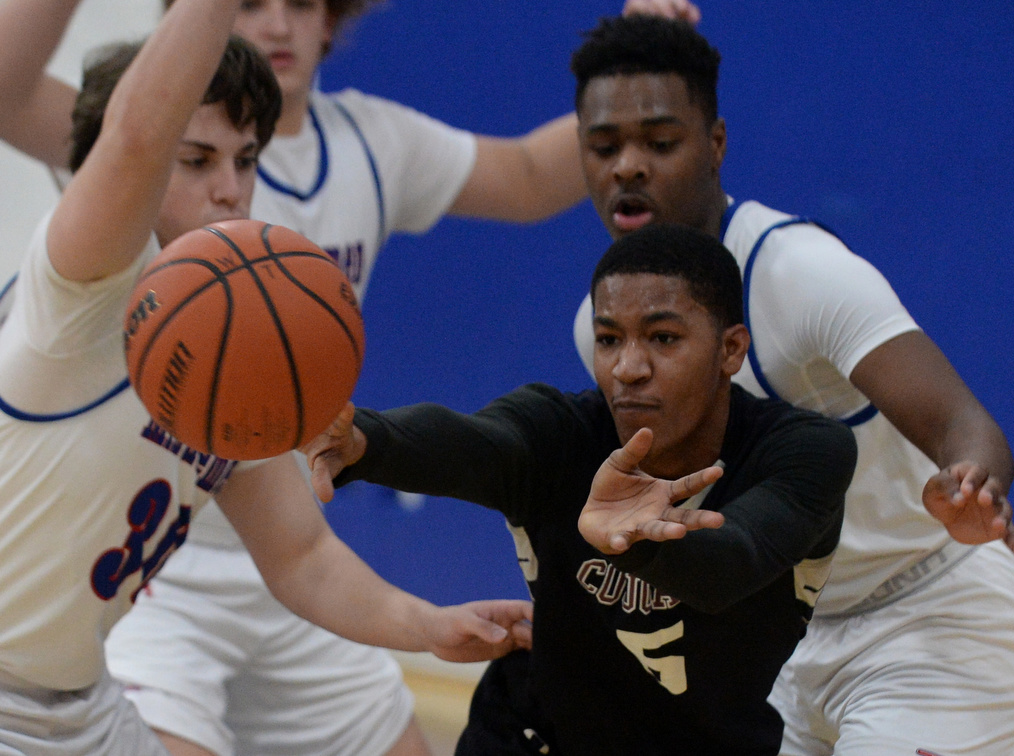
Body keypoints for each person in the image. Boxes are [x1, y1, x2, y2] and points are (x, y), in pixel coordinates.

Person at [106, 1, 685, 754]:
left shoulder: (367, 143)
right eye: (248, 1)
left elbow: (528, 175)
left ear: (332, 22)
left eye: (301, 3)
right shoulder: (135, 165)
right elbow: (30, 97)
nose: (278, 25)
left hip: (287, 542)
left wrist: (636, 68)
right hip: (156, 573)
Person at [0, 0, 533, 752]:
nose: (231, 189)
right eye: (195, 160)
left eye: (246, 160)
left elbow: (303, 559)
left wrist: (430, 625)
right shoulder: (78, 297)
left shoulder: (228, 360)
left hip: (82, 704)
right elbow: (133, 137)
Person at [568, 14, 1014, 756]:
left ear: (715, 145)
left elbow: (962, 422)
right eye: (604, 146)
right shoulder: (600, 327)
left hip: (932, 617)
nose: (628, 166)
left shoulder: (796, 273)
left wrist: (975, 489)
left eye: (659, 142)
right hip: (785, 646)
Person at [302, 222, 858, 755]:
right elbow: (471, 443)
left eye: (663, 338)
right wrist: (366, 441)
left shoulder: (804, 452)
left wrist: (638, 540)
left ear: (731, 350)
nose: (628, 367)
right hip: (530, 737)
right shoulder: (559, 432)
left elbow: (733, 562)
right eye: (609, 339)